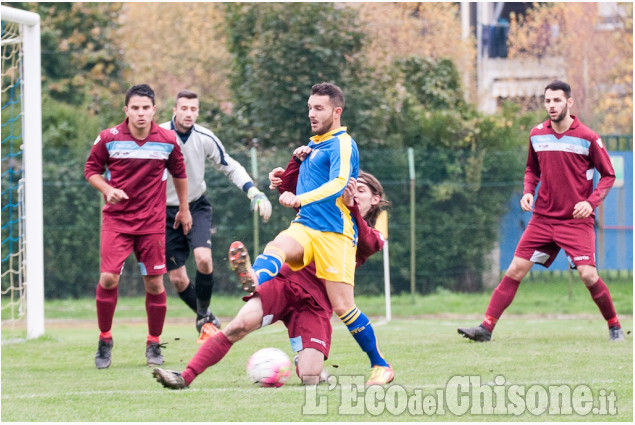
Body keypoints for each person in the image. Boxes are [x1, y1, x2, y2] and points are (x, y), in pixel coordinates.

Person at [152, 165, 390, 389]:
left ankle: (306, 364)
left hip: (316, 303)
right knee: (238, 326)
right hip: (285, 282)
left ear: (375, 198)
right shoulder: (332, 208)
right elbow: (303, 200)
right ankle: (184, 376)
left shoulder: (374, 232)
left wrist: (351, 207)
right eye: (351, 188)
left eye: (361, 190)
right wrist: (285, 178)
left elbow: (368, 241)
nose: (355, 194)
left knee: (309, 377)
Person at [458, 80, 623, 342]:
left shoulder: (588, 137)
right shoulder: (537, 134)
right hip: (543, 219)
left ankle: (614, 325)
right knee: (514, 270)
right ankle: (486, 328)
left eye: (557, 100)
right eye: (547, 101)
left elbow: (608, 176)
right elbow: (532, 170)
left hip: (575, 222)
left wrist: (590, 203)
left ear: (569, 102)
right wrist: (527, 192)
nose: (551, 105)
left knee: (588, 275)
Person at [85, 84, 192, 369]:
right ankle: (105, 339)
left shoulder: (167, 140)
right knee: (109, 278)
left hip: (152, 224)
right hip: (117, 221)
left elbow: (179, 173)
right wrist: (107, 189)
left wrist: (184, 209)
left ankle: (154, 342)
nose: (141, 113)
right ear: (126, 110)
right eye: (135, 108)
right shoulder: (109, 138)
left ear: (154, 110)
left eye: (146, 108)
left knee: (155, 283)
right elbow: (91, 171)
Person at [159, 90, 272, 343]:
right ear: (174, 110)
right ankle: (207, 317)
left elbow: (229, 165)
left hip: (196, 206)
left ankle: (202, 319)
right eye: (184, 108)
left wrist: (253, 191)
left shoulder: (204, 137)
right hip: (164, 212)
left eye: (193, 109)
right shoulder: (159, 136)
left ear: (197, 112)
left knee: (204, 260)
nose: (189, 113)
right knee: (177, 279)